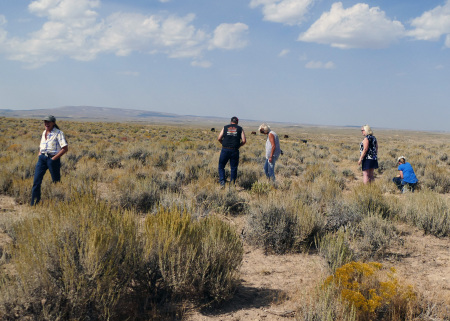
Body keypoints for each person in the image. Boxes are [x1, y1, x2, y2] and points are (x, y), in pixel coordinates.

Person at [31, 115, 68, 205]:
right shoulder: (44, 132)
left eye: (48, 122)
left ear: (53, 123)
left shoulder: (59, 133)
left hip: (53, 159)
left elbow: (65, 148)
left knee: (56, 182)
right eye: (45, 122)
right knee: (36, 182)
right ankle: (34, 204)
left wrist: (53, 159)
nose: (46, 124)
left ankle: (59, 203)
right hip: (42, 159)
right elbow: (41, 145)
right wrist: (40, 154)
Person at [217, 116, 246, 187]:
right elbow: (244, 140)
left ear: (231, 121)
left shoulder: (225, 127)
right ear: (237, 122)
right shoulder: (240, 129)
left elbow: (219, 138)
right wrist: (239, 145)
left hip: (225, 149)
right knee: (233, 168)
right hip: (235, 150)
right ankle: (232, 185)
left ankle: (222, 183)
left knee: (221, 166)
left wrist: (223, 143)